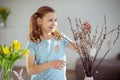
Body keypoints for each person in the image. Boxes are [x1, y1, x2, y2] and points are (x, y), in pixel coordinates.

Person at [26, 6, 77, 80]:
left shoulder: (60, 37)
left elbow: (79, 49)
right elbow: (30, 70)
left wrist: (84, 33)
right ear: (39, 21)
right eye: (50, 20)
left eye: (55, 20)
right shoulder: (33, 42)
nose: (54, 23)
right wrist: (50, 64)